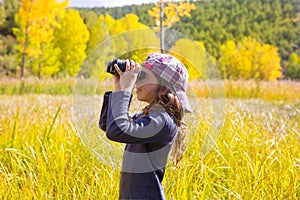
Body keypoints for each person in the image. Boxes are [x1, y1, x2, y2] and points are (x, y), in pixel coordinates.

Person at [99, 52, 191, 200]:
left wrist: (125, 91)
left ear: (163, 87)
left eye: (143, 76)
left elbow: (116, 130)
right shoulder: (149, 117)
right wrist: (119, 87)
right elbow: (109, 125)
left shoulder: (163, 121)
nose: (137, 81)